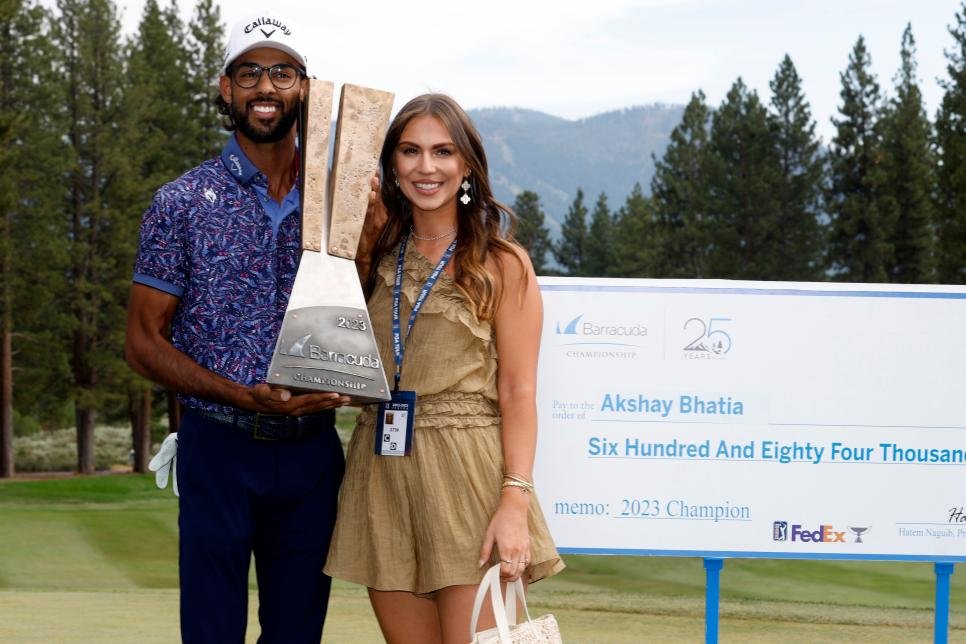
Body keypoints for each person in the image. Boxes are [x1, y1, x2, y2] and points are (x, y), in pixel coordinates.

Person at [124, 12, 350, 643]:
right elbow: (142, 342)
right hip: (218, 446)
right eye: (249, 72)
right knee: (211, 631)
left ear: (304, 88)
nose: (266, 88)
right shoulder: (182, 202)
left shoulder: (340, 200)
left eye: (282, 71)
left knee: (296, 632)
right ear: (226, 89)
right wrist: (237, 393)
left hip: (312, 453)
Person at [324, 94, 564, 643]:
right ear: (391, 165)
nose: (425, 167)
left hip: (470, 481)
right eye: (410, 151)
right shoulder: (372, 255)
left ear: (466, 167)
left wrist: (514, 498)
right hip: (383, 474)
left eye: (442, 151)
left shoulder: (502, 263)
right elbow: (340, 355)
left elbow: (519, 391)